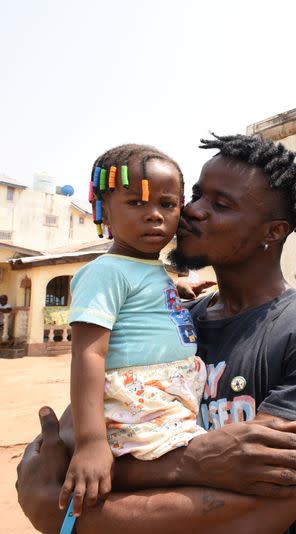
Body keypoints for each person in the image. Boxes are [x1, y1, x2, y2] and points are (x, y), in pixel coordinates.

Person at [15, 133, 296, 534]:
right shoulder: (172, 319)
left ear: (273, 231)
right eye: (195, 194)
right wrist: (202, 458)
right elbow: (78, 441)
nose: (191, 210)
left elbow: (258, 513)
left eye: (220, 204)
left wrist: (61, 514)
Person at [59, 144, 206, 518]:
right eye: (137, 204)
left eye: (167, 205)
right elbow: (89, 353)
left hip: (166, 401)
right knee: (208, 472)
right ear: (105, 210)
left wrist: (175, 291)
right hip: (139, 404)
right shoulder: (105, 272)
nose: (155, 216)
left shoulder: (151, 269)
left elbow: (140, 303)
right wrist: (91, 442)